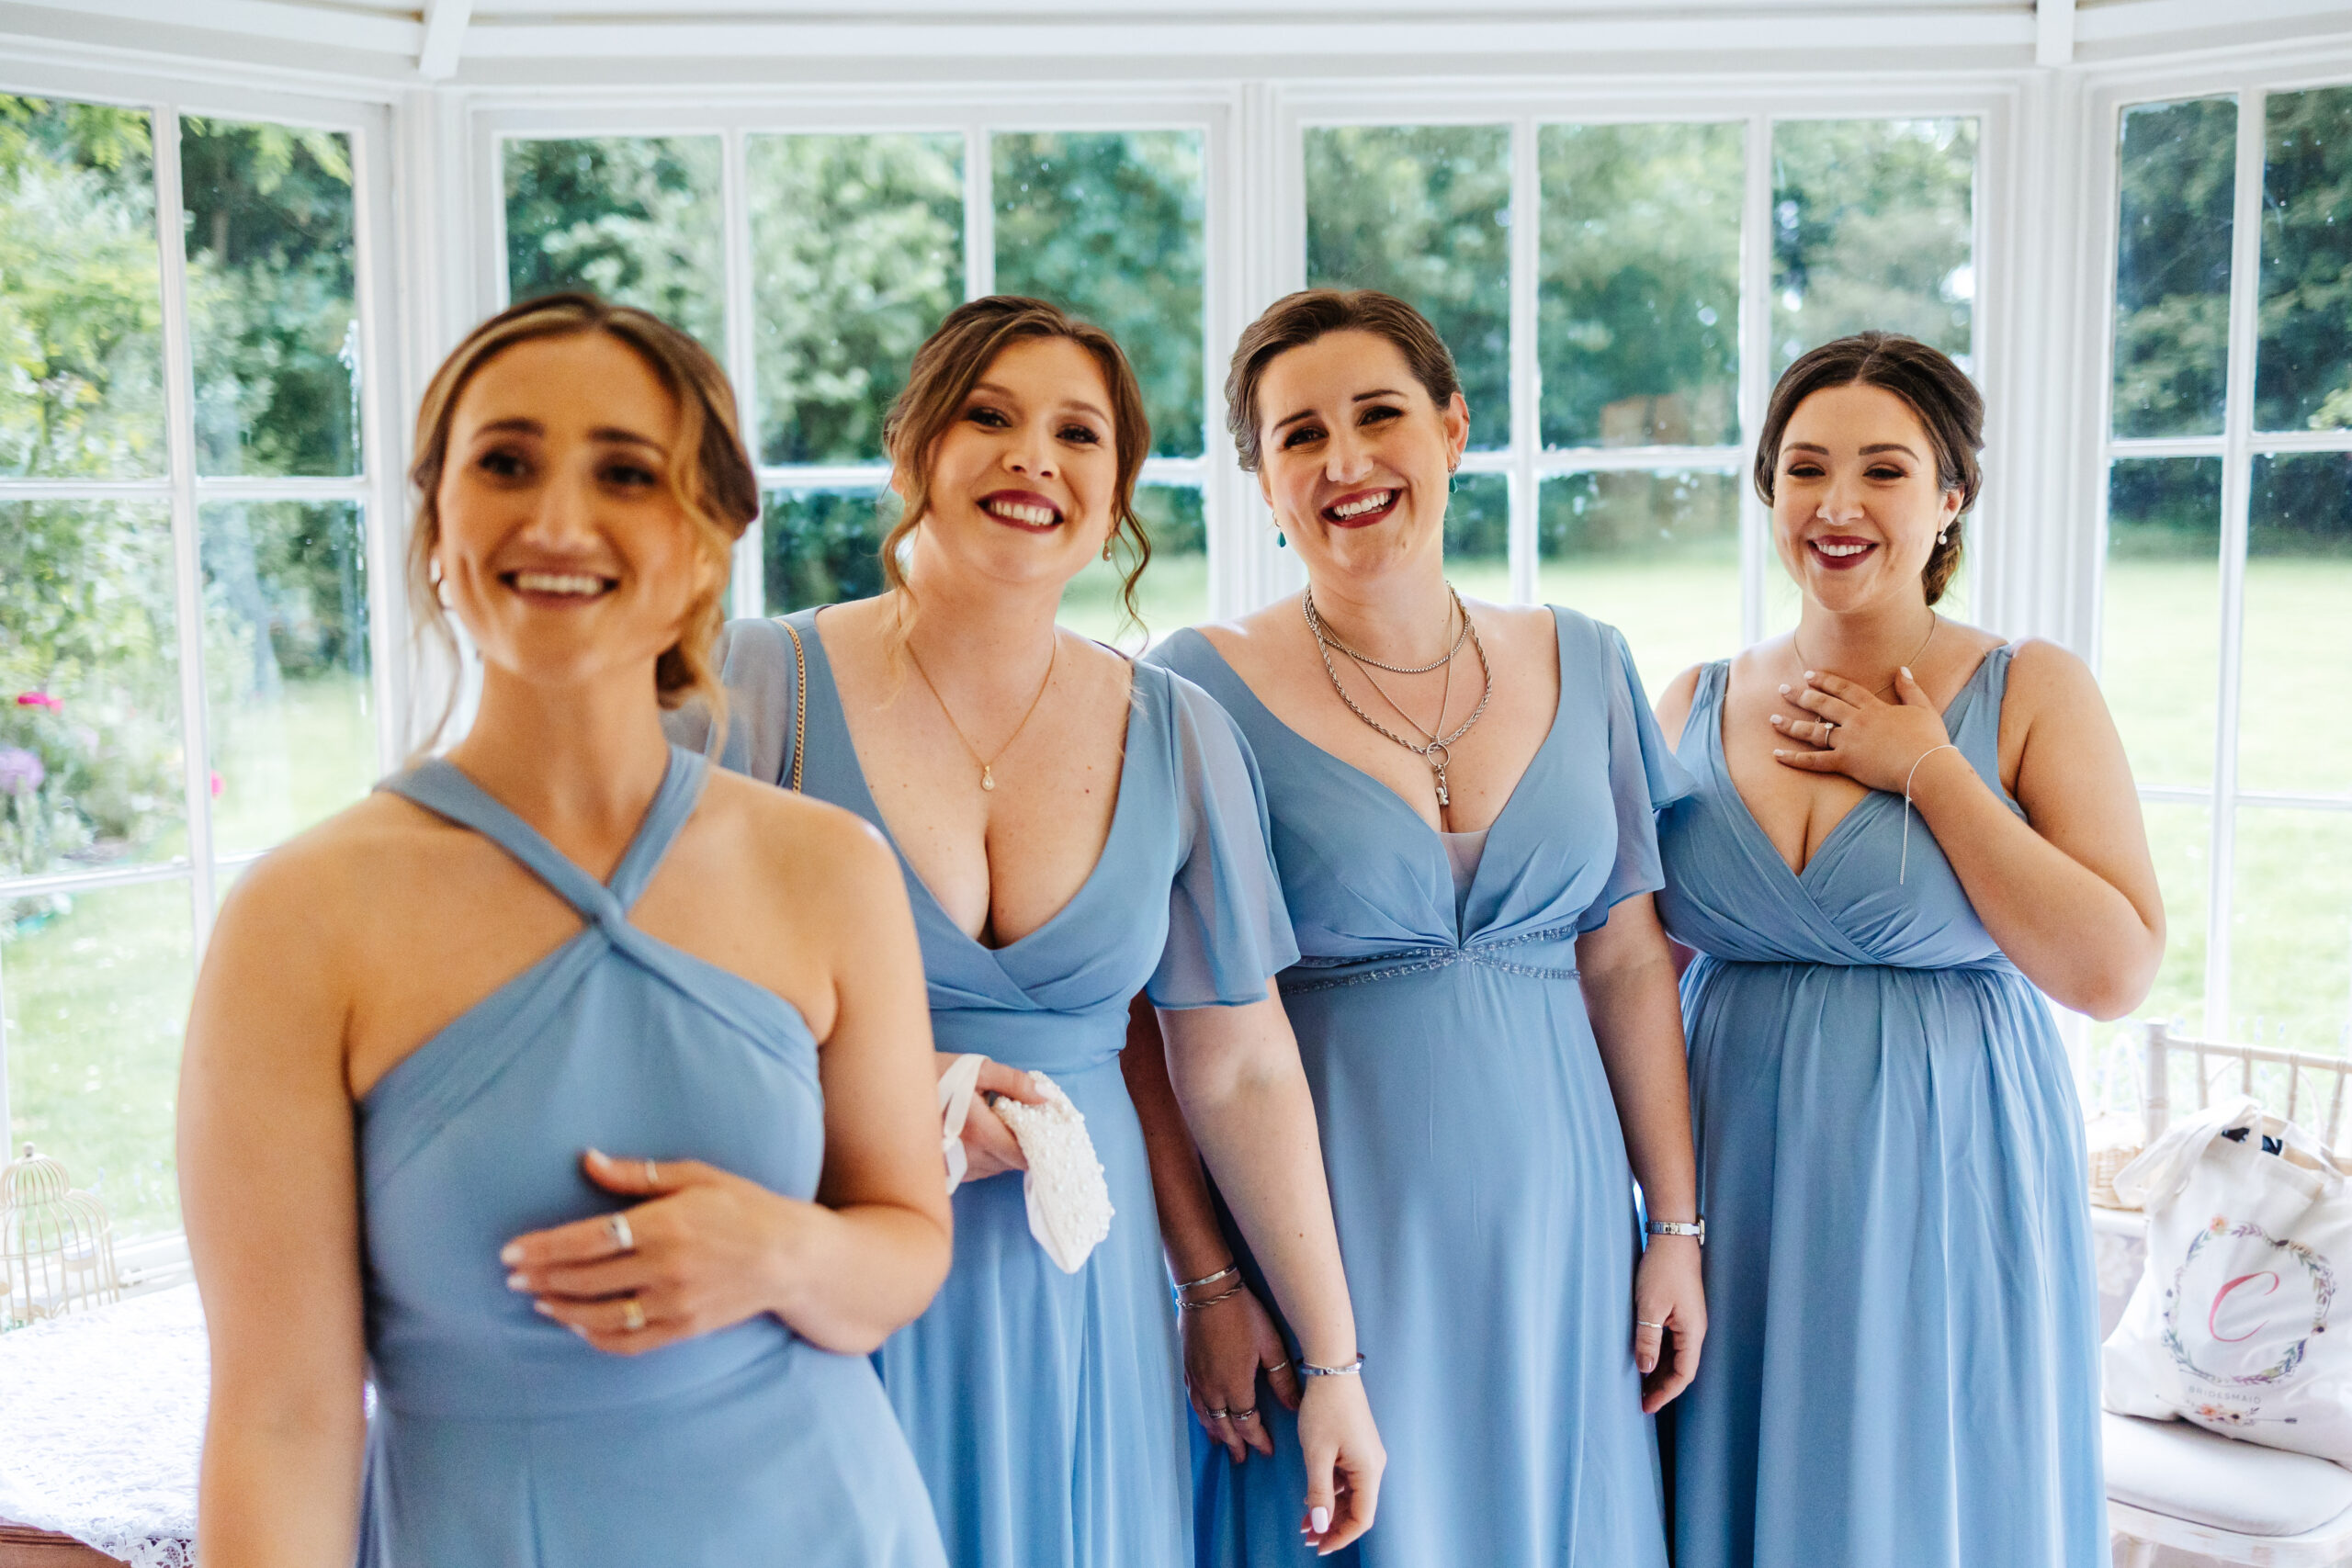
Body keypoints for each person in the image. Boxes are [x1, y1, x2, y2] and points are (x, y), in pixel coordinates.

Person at [180, 293, 952, 1567]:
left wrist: (777, 1249)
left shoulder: (830, 870)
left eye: (625, 473)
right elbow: (279, 1414)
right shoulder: (300, 920)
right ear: (437, 523)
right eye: (506, 464)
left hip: (834, 1523)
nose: (554, 520)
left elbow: (905, 1252)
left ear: (708, 543)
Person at [666, 295, 1383, 1566]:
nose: (1032, 458)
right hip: (826, 1266)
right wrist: (917, 1098)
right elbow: (650, 1016)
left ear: (1117, 497)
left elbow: (1240, 1063)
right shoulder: (751, 691)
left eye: (1077, 434)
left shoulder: (1177, 735)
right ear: (914, 451)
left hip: (1080, 1299)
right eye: (987, 418)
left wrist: (1333, 1361)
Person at [1136, 287, 1704, 1568]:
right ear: (1261, 482)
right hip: (1333, 1240)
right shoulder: (1194, 689)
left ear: (1453, 431)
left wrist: (1674, 1227)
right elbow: (1160, 1024)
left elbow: (1626, 962)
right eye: (1298, 436)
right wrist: (1209, 1281)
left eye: (1379, 414)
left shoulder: (1587, 658)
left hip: (1562, 1238)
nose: (1345, 462)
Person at [1653, 331, 2164, 1568]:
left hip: (1948, 1163)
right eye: (1805, 469)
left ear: (1951, 498)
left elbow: (2112, 970)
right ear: (1769, 490)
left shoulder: (2032, 687)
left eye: (1884, 471)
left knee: (1922, 1486)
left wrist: (1927, 771)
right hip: (1739, 1172)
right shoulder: (1692, 702)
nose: (1837, 505)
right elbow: (1625, 977)